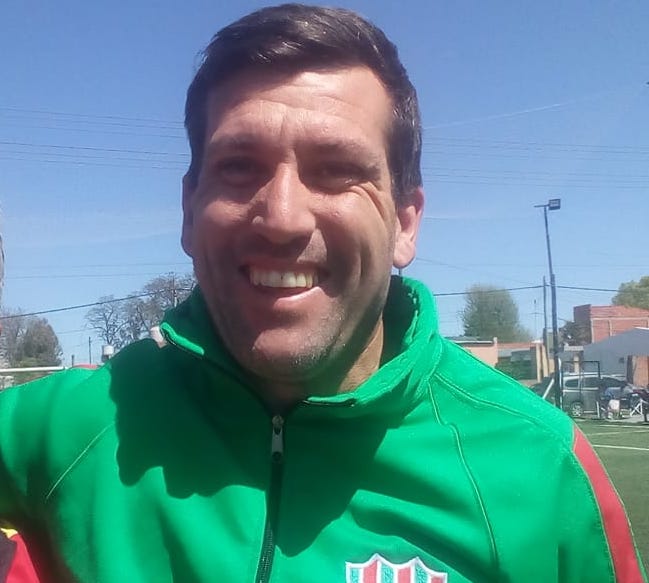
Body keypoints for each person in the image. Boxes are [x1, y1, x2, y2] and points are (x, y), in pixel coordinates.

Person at [0, 4, 646, 582]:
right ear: (189, 210)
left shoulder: (542, 467)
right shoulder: (57, 431)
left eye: (336, 171)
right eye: (238, 167)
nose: (282, 217)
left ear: (404, 222)